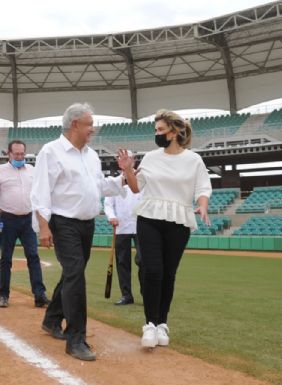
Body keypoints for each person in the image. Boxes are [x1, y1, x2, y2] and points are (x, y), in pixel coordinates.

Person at [31, 102, 130, 361]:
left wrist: (125, 175)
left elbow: (99, 187)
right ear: (74, 124)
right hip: (63, 223)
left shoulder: (91, 155)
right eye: (89, 124)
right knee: (75, 275)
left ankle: (52, 319)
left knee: (72, 273)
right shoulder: (50, 152)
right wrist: (43, 226)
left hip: (87, 223)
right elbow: (40, 192)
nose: (93, 129)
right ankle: (76, 338)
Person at [120, 109, 212, 349]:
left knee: (169, 274)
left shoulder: (193, 160)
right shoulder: (151, 157)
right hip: (149, 217)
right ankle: (149, 325)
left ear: (174, 132)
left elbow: (203, 188)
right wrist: (128, 169)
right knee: (153, 271)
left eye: (160, 130)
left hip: (179, 221)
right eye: (156, 130)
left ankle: (162, 323)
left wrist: (202, 206)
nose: (157, 134)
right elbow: (136, 188)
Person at [0, 140, 50, 308]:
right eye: (17, 154)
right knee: (6, 258)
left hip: (28, 220)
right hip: (7, 220)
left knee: (33, 257)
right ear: (9, 154)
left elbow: (39, 196)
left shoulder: (32, 171)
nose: (20, 157)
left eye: (22, 154)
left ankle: (39, 294)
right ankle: (4, 295)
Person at [103, 174, 141, 306]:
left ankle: (147, 293)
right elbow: (108, 204)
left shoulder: (142, 179)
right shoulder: (114, 182)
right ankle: (126, 295)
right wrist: (111, 216)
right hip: (121, 226)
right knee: (122, 262)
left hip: (140, 226)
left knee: (143, 260)